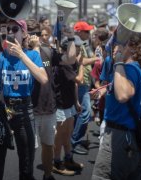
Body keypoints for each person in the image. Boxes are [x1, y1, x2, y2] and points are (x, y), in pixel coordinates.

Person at [0, 18, 48, 180]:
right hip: (2, 109)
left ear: (24, 33)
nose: (11, 33)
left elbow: (43, 78)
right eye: (7, 29)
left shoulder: (33, 55)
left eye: (15, 29)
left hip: (24, 110)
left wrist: (21, 55)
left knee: (27, 160)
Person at [92, 32, 141, 180]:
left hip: (120, 136)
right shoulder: (134, 68)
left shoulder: (130, 69)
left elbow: (123, 95)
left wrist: (119, 61)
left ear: (133, 48)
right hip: (128, 136)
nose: (117, 46)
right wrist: (104, 90)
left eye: (122, 43)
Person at [29, 23, 76, 180]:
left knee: (48, 145)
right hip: (29, 108)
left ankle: (48, 175)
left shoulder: (48, 52)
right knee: (29, 149)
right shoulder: (20, 53)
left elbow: (69, 59)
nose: (35, 36)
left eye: (38, 33)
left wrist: (70, 38)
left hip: (48, 106)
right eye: (32, 33)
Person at [52, 36, 84, 176]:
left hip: (69, 102)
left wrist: (76, 101)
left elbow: (74, 84)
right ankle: (57, 162)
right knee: (59, 135)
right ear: (68, 49)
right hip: (61, 104)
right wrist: (82, 64)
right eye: (76, 47)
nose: (79, 49)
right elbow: (79, 79)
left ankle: (68, 158)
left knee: (68, 132)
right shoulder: (64, 62)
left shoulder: (72, 61)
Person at [71, 21, 95, 155]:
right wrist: (97, 58)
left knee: (79, 113)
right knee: (85, 113)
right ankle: (74, 141)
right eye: (86, 31)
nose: (89, 33)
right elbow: (81, 61)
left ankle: (75, 140)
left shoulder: (83, 44)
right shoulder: (76, 45)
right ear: (79, 32)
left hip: (83, 82)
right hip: (79, 83)